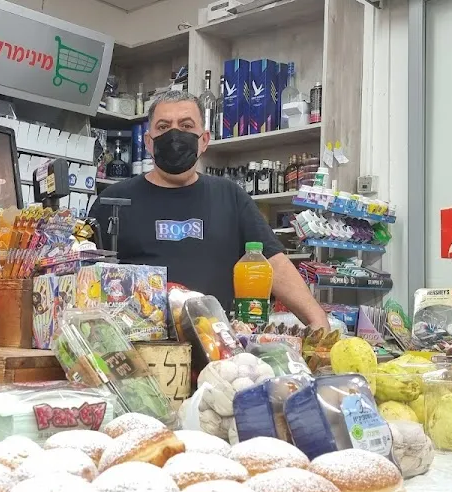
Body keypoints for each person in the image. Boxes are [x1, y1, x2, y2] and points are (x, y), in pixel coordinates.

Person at [89, 90, 330, 329]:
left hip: (214, 341)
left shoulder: (230, 196)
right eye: (163, 126)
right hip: (137, 343)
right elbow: (84, 275)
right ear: (148, 142)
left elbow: (273, 262)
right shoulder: (113, 200)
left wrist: (318, 321)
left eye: (186, 126)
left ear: (204, 140)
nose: (174, 135)